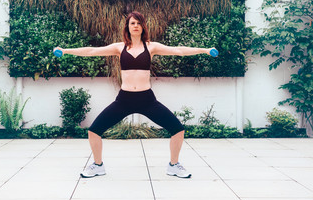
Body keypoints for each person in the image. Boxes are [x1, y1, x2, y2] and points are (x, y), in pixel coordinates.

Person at [54, 11, 217, 179]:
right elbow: (91, 51)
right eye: (132, 23)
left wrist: (204, 50)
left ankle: (174, 165)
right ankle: (97, 165)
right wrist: (65, 51)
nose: (136, 26)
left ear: (143, 26)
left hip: (146, 99)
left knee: (178, 130)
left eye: (139, 23)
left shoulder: (151, 47)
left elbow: (178, 51)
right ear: (128, 27)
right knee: (94, 131)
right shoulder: (119, 47)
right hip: (124, 100)